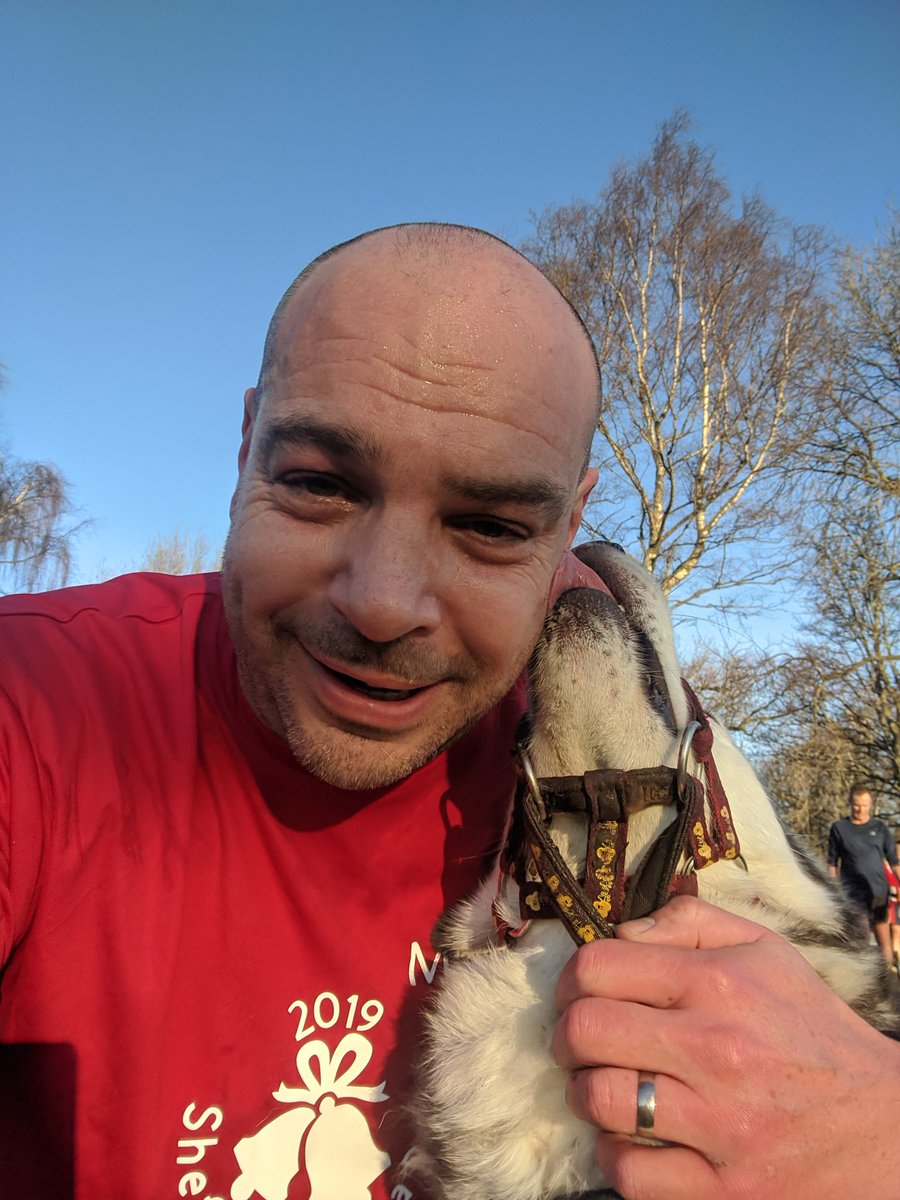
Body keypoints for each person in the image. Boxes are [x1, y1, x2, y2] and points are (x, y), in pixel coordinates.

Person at [0, 224, 897, 1200]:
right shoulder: (42, 705)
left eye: (490, 527)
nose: (384, 604)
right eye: (319, 484)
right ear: (246, 444)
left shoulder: (613, 753)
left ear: (568, 523)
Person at [828, 783, 899, 967]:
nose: (860, 809)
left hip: (878, 893)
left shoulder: (880, 828)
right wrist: (834, 890)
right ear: (850, 803)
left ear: (871, 804)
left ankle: (889, 976)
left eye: (865, 805)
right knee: (861, 940)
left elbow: (894, 862)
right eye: (857, 805)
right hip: (852, 894)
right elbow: (832, 862)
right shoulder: (839, 828)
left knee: (884, 940)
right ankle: (867, 979)